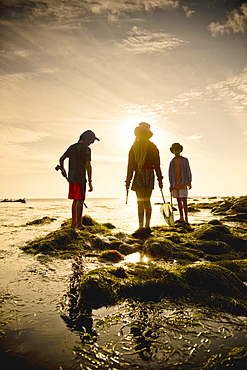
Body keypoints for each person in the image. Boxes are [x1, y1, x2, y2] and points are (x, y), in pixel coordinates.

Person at [126, 122, 163, 236]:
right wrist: (159, 179)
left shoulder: (135, 147)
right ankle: (145, 226)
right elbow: (157, 165)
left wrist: (128, 180)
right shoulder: (151, 147)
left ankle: (143, 226)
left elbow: (131, 165)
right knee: (146, 201)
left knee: (141, 202)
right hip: (147, 174)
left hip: (140, 174)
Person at [59, 130, 99, 230]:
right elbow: (88, 166)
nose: (92, 143)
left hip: (72, 177)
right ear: (87, 139)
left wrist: (63, 169)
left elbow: (61, 158)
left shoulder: (72, 147)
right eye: (92, 140)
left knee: (75, 200)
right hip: (80, 177)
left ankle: (73, 223)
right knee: (80, 199)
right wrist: (90, 181)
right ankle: (79, 224)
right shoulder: (86, 149)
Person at [168, 142, 192, 224]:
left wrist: (189, 181)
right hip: (175, 184)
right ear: (173, 151)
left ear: (180, 150)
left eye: (178, 150)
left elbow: (188, 170)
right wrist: (171, 184)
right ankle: (181, 217)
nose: (176, 151)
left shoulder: (185, 160)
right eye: (175, 150)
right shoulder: (172, 162)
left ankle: (186, 218)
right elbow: (170, 174)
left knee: (184, 200)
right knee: (178, 200)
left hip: (183, 182)